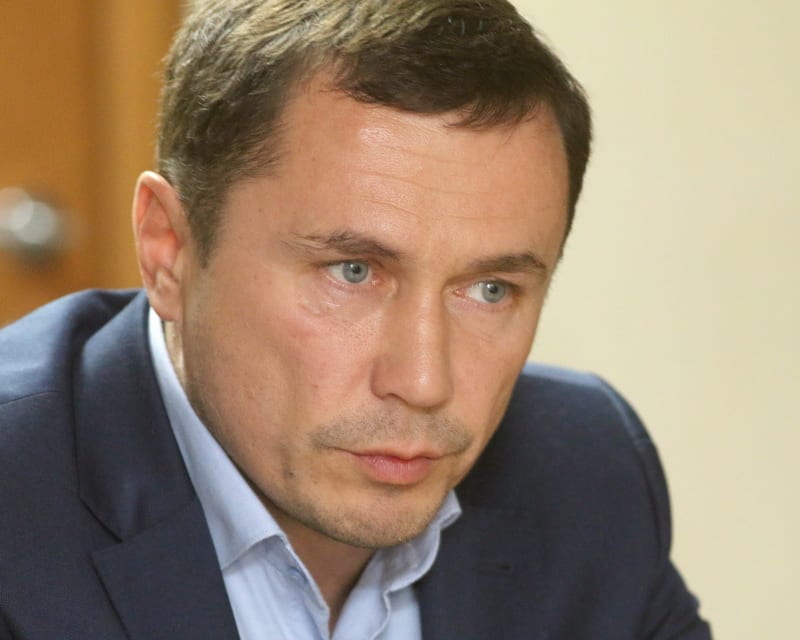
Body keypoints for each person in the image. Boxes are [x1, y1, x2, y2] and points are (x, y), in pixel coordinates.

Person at [0, 1, 712, 638]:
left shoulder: (586, 477)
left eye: (490, 289)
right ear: (170, 251)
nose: (424, 382)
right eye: (353, 272)